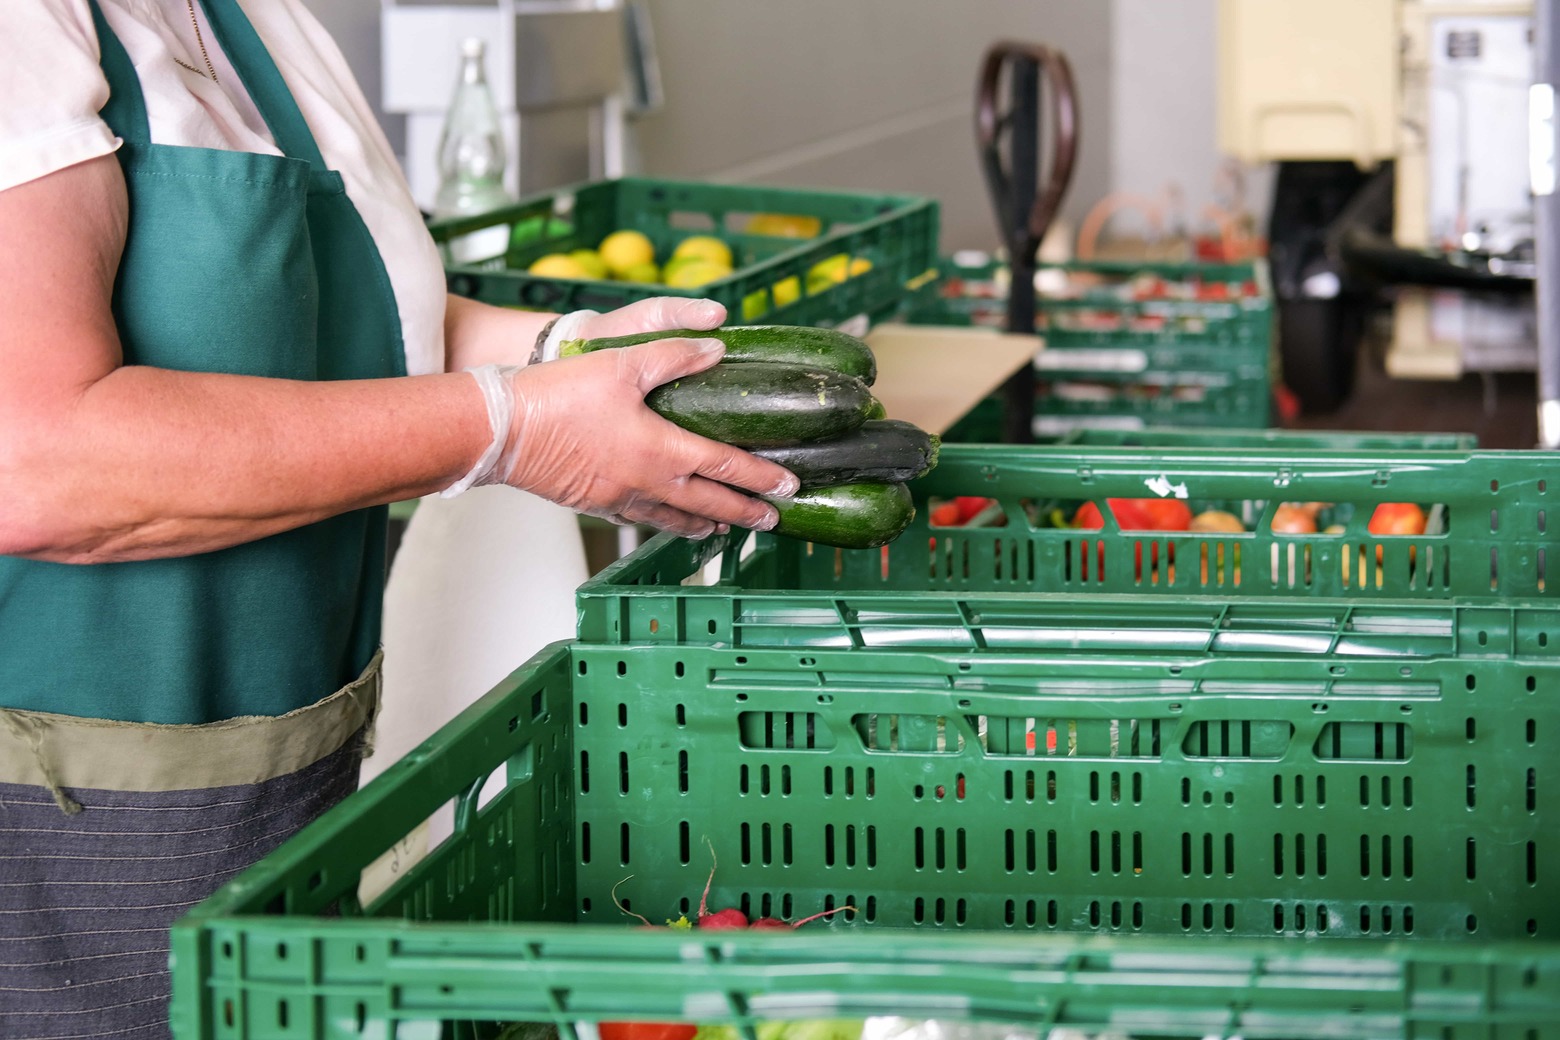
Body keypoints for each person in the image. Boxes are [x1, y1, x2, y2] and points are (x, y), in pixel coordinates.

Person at [0, 2, 798, 1036]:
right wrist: (511, 426)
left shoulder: (260, 22)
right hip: (61, 835)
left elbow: (374, 323)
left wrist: (568, 349)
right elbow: (36, 457)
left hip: (290, 795)